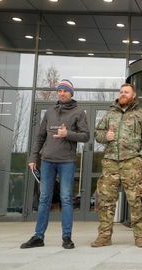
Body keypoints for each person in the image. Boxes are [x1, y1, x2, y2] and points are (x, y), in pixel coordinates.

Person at [22, 79, 90, 249]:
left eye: (65, 91)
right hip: (47, 161)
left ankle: (67, 237)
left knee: (66, 199)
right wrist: (32, 158)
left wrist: (68, 133)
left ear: (71, 93)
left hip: (66, 161)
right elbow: (40, 137)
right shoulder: (50, 112)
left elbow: (85, 136)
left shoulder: (79, 112)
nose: (61, 93)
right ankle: (38, 236)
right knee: (44, 198)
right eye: (59, 90)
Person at [91, 83, 142, 248]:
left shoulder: (141, 114)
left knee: (135, 201)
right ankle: (104, 236)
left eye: (126, 92)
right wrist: (105, 136)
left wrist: (141, 156)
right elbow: (97, 134)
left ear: (133, 95)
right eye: (121, 92)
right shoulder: (110, 114)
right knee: (106, 201)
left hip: (131, 163)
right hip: (110, 162)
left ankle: (140, 236)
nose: (123, 94)